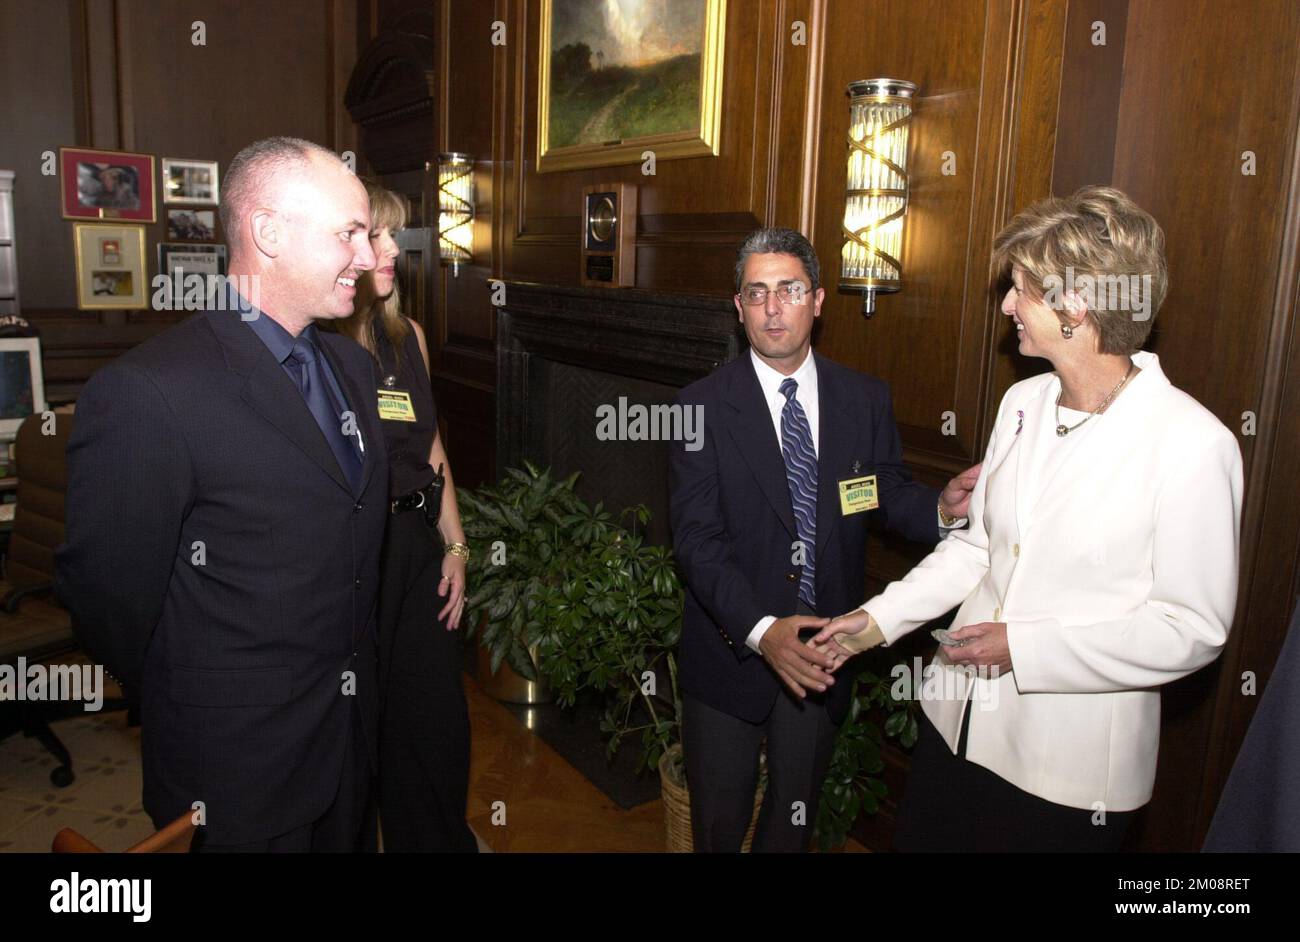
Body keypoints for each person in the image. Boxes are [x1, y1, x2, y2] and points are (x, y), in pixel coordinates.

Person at [814, 186, 1244, 852]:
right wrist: (875, 622)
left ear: (1076, 306)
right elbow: (976, 551)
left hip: (1065, 775)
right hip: (953, 721)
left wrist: (1025, 647)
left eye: (1021, 290)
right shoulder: (1022, 402)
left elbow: (1191, 628)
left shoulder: (1192, 443)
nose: (1007, 305)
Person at [56, 136, 389, 852]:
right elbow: (109, 600)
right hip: (236, 770)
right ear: (268, 233)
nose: (367, 258)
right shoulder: (150, 393)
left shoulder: (353, 368)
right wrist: (200, 698)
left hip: (350, 744)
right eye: (349, 234)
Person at [668, 227, 980, 852]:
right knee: (718, 831)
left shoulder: (862, 399)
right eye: (757, 293)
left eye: (788, 290)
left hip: (825, 655)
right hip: (731, 658)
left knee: (793, 828)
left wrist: (941, 510)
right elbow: (697, 542)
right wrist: (763, 631)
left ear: (817, 300)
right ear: (739, 307)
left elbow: (880, 492)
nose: (773, 307)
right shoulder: (698, 407)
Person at [329, 181, 477, 852]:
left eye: (392, 234)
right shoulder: (325, 348)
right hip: (358, 557)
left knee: (435, 720)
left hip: (418, 546)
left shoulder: (408, 334)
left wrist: (457, 548)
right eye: (377, 235)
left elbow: (434, 445)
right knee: (360, 724)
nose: (392, 248)